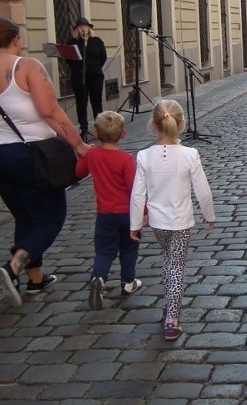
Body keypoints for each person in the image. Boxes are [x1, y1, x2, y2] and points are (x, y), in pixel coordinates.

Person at [0, 18, 90, 307]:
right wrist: (79, 145)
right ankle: (13, 267)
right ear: (17, 40)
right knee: (51, 216)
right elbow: (50, 111)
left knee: (25, 215)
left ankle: (36, 279)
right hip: (27, 153)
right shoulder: (27, 66)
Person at [130, 99, 215, 341]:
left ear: (153, 125)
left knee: (169, 261)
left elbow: (138, 194)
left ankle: (169, 304)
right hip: (180, 221)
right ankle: (172, 319)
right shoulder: (189, 154)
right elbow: (202, 189)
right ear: (181, 125)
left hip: (158, 223)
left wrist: (135, 223)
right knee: (176, 265)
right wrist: (209, 214)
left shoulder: (144, 156)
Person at [75, 111, 140, 310]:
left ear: (95, 133)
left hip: (105, 215)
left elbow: (78, 173)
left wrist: (81, 155)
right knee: (129, 248)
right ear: (123, 134)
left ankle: (98, 277)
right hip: (127, 215)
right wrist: (143, 212)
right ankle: (128, 282)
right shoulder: (125, 160)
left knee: (104, 251)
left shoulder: (92, 155)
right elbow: (134, 189)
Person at [67, 17, 107, 139]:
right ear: (77, 30)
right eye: (80, 27)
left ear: (89, 29)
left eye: (85, 26)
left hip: (95, 76)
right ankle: (83, 128)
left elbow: (103, 57)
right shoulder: (72, 42)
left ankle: (99, 128)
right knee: (81, 103)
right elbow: (68, 60)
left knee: (96, 102)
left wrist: (94, 67)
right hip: (79, 76)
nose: (83, 28)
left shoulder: (97, 41)